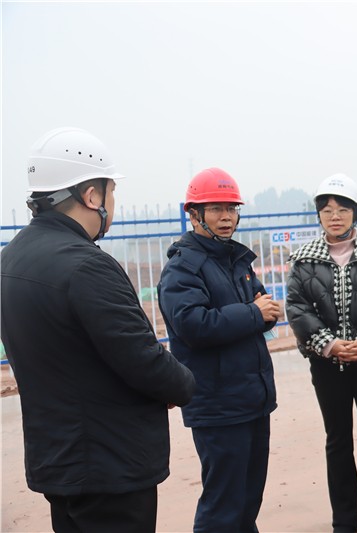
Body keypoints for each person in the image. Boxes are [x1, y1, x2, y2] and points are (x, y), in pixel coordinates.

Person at [0, 127, 196, 533]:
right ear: (92, 196)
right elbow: (141, 358)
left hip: (58, 460)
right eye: (111, 191)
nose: (113, 202)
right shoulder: (87, 265)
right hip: (109, 465)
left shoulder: (12, 258)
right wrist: (183, 384)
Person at [158, 167, 281, 533]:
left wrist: (261, 314)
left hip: (252, 397)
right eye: (215, 209)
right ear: (194, 214)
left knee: (247, 499)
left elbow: (263, 308)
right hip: (219, 405)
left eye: (231, 208)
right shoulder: (183, 268)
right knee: (223, 504)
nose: (226, 217)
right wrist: (254, 314)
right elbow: (194, 325)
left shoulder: (235, 260)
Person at [286, 174, 357, 533]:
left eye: (342, 210)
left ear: (355, 213)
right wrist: (329, 344)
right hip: (327, 365)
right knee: (337, 442)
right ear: (319, 215)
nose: (334, 217)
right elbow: (297, 308)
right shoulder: (304, 260)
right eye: (327, 210)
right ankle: (345, 522)